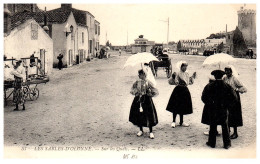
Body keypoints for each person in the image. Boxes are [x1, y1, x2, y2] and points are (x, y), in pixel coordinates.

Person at [201, 70, 237, 149]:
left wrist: (210, 104)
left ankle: (212, 143)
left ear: (214, 76)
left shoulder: (209, 85)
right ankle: (227, 144)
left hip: (213, 109)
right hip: (223, 109)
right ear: (222, 76)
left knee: (213, 125)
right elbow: (234, 97)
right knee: (224, 126)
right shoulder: (227, 86)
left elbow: (203, 97)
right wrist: (227, 105)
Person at [129, 69, 159, 139]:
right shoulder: (137, 82)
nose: (139, 75)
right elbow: (132, 89)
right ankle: (141, 130)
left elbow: (154, 90)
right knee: (139, 114)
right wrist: (136, 92)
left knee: (149, 114)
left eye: (140, 74)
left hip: (147, 100)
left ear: (144, 75)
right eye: (138, 74)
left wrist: (149, 92)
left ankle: (151, 131)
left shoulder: (148, 82)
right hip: (139, 99)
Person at [166, 61, 196, 128]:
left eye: (186, 67)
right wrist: (173, 77)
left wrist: (192, 77)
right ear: (181, 67)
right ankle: (173, 121)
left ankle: (181, 122)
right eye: (184, 66)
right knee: (175, 106)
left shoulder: (187, 74)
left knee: (182, 106)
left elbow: (189, 83)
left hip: (185, 91)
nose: (185, 68)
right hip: (178, 90)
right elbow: (174, 82)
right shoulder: (177, 73)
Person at [223, 65, 247, 139]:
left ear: (231, 71)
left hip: (234, 99)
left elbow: (244, 88)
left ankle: (235, 133)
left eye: (228, 71)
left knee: (234, 115)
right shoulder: (224, 78)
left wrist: (236, 89)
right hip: (227, 99)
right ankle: (228, 131)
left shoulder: (235, 79)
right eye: (226, 71)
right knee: (227, 114)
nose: (227, 72)